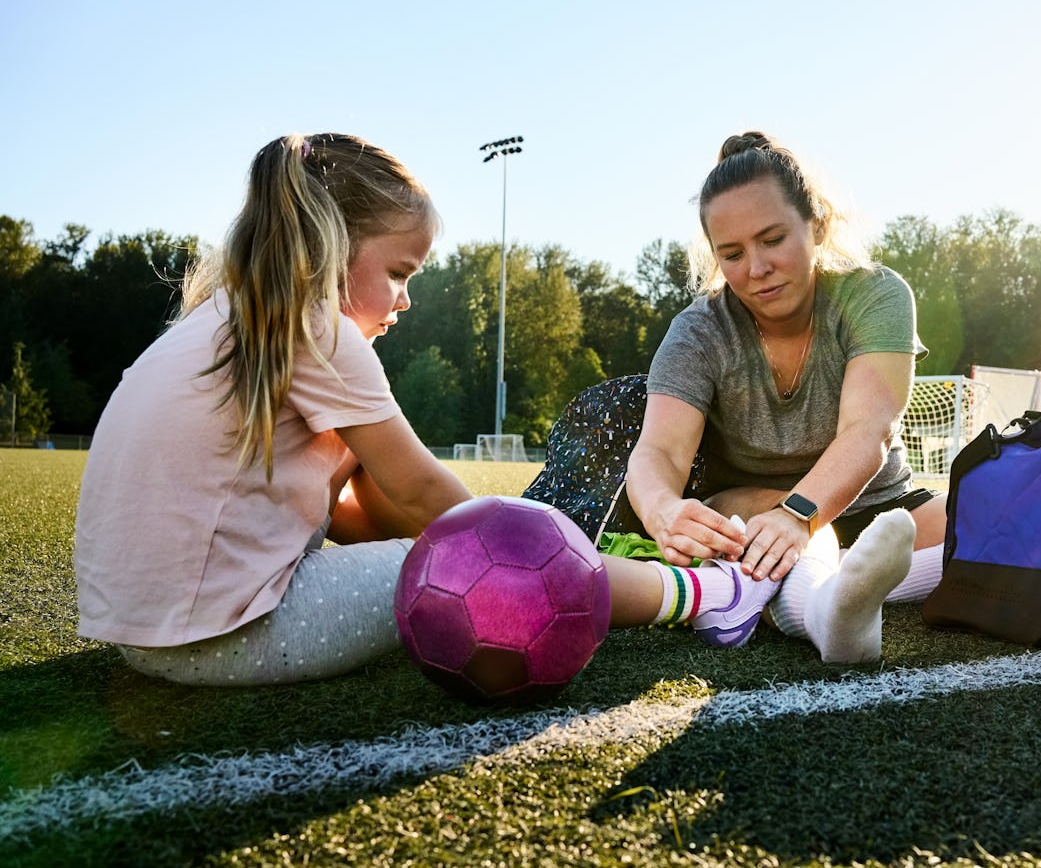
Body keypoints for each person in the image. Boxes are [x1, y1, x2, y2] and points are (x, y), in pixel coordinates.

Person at [72, 131, 760, 685]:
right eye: (399, 272)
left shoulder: (222, 317)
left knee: (426, 541)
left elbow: (349, 512)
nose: (405, 299)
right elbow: (422, 489)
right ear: (330, 250)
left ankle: (665, 584)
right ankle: (707, 595)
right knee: (506, 569)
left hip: (146, 638)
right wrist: (527, 552)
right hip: (227, 636)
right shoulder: (316, 328)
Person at [624, 130, 949, 662]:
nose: (755, 269)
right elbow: (659, 451)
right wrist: (663, 510)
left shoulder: (876, 293)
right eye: (731, 254)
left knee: (995, 524)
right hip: (755, 508)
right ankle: (829, 614)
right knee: (779, 536)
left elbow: (870, 431)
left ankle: (851, 581)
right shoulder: (698, 330)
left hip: (884, 506)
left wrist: (801, 515)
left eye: (772, 239)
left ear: (816, 225)